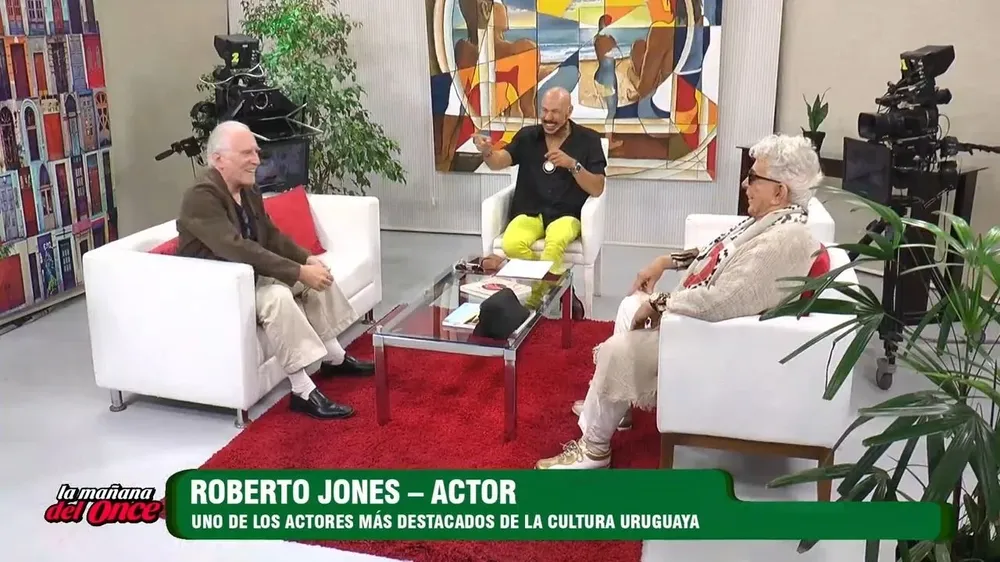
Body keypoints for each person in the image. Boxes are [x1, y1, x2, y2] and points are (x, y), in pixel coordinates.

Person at [536, 134, 825, 469]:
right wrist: (666, 262)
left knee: (620, 350)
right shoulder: (776, 222)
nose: (745, 184)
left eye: (754, 177)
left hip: (716, 344)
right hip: (711, 329)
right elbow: (716, 253)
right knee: (630, 306)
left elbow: (724, 301)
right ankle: (619, 405)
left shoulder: (786, 241)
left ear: (779, 192)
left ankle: (594, 448)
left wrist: (661, 302)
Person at [175, 121, 373, 421]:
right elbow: (237, 248)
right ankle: (302, 391)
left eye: (256, 152)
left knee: (317, 277)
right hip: (219, 286)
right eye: (246, 153)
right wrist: (297, 271)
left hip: (249, 274)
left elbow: (269, 234)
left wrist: (306, 259)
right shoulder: (201, 196)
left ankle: (334, 357)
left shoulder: (247, 188)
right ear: (218, 159)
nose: (256, 160)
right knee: (278, 296)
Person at [474, 87, 606, 315]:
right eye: (544, 110)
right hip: (530, 211)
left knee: (555, 244)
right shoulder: (528, 136)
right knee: (512, 243)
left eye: (555, 112)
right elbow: (498, 162)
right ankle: (561, 286)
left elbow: (597, 188)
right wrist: (487, 151)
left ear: (569, 112)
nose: (547, 117)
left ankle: (532, 305)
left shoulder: (588, 140)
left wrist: (572, 165)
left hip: (567, 214)